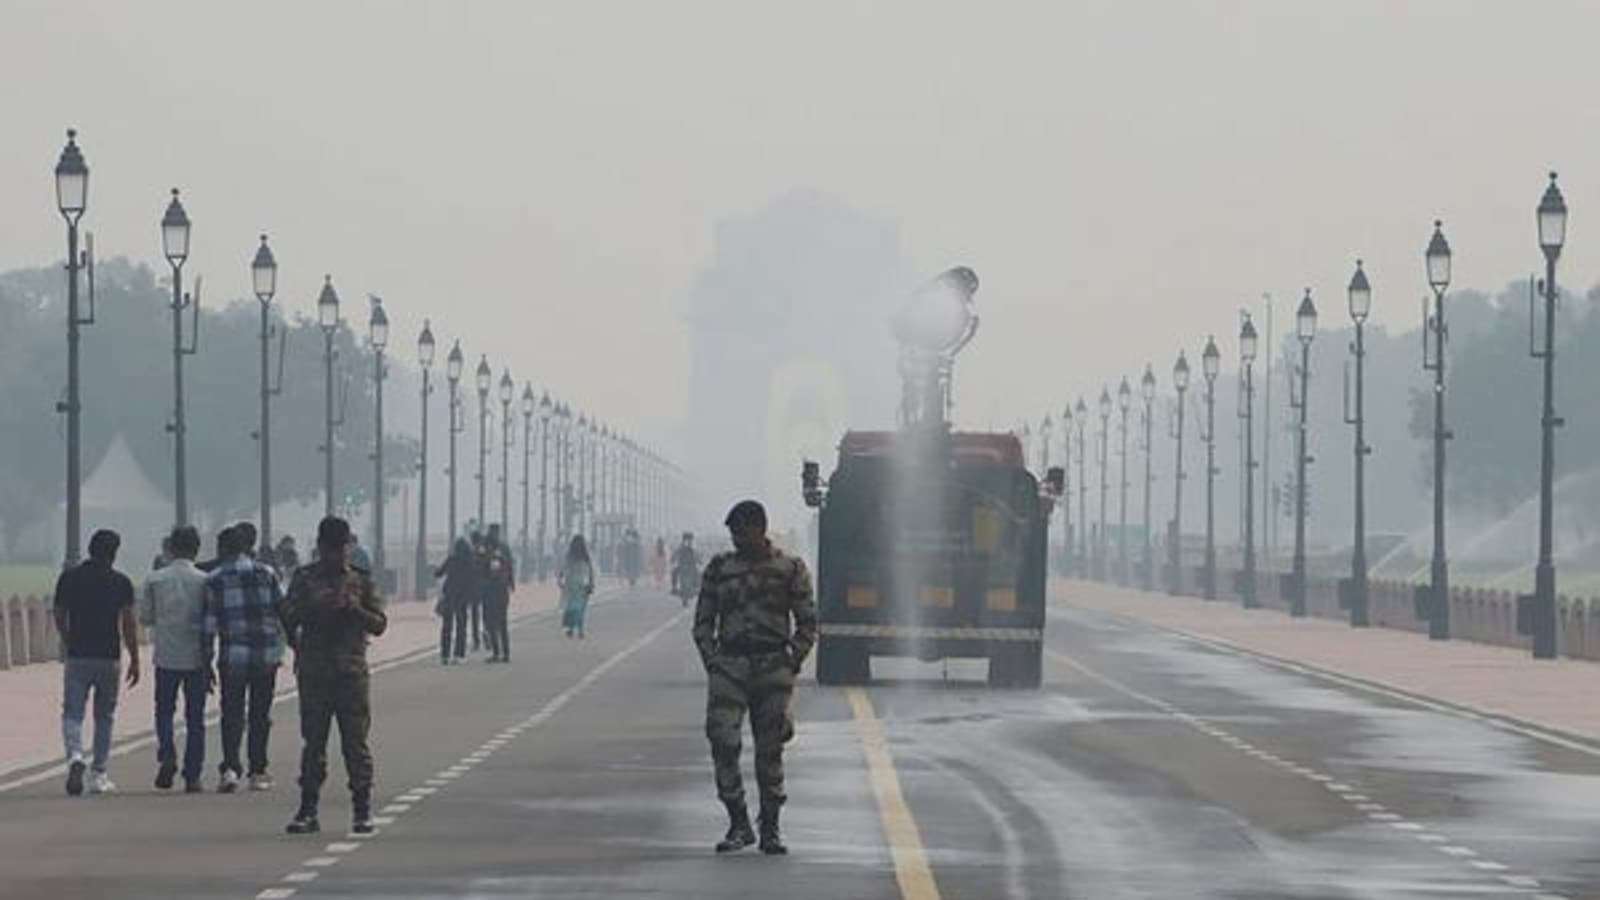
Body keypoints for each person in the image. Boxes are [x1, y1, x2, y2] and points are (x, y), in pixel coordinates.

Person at [693, 500, 816, 855]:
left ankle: (770, 826)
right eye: (733, 533)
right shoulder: (720, 569)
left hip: (772, 666)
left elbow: (808, 622)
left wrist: (792, 660)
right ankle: (738, 821)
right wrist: (712, 659)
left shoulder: (789, 568)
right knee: (722, 739)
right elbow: (703, 621)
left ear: (760, 529)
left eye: (742, 532)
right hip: (730, 664)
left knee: (769, 748)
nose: (737, 539)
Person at [280, 516, 387, 835]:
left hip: (351, 674)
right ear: (320, 547)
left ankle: (362, 810)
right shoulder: (304, 579)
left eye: (341, 549)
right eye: (331, 550)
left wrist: (354, 609)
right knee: (313, 744)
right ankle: (308, 809)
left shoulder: (360, 580)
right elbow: (287, 617)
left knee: (355, 744)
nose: (336, 556)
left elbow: (380, 624)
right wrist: (312, 609)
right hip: (315, 673)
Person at [53, 529, 141, 796]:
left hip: (78, 654)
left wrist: (67, 637)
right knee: (104, 716)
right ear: (114, 553)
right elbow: (128, 622)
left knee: (72, 712)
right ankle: (99, 772)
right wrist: (135, 658)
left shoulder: (69, 578)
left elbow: (59, 613)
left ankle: (75, 755)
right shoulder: (121, 582)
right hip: (108, 655)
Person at [203, 523, 287, 793]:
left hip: (233, 656)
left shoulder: (214, 579)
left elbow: (209, 626)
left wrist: (206, 663)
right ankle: (258, 770)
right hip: (265, 654)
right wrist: (293, 648)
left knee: (232, 713)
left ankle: (230, 768)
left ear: (222, 549)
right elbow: (284, 611)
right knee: (260, 714)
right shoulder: (267, 573)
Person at [139, 525, 210, 792]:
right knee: (195, 717)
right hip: (196, 657)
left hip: (166, 655)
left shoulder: (155, 579)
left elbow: (146, 618)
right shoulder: (205, 581)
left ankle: (167, 755)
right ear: (196, 549)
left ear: (170, 548)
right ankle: (193, 774)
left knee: (164, 711)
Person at [433, 538, 479, 664]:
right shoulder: (471, 562)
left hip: (450, 595)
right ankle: (459, 654)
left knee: (447, 626)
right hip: (463, 597)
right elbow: (474, 580)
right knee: (461, 626)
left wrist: (436, 571)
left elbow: (439, 573)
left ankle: (445, 655)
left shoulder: (452, 559)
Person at [481, 524, 515, 662]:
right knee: (502, 622)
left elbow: (481, 567)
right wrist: (511, 583)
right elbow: (510, 566)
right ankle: (505, 652)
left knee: (492, 621)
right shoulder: (504, 548)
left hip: (491, 590)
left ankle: (497, 652)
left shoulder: (487, 548)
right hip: (501, 589)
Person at [557, 535, 595, 639]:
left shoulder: (570, 555)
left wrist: (560, 579)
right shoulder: (586, 556)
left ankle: (570, 627)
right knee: (581, 608)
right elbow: (591, 570)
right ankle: (580, 629)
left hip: (571, 583)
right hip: (583, 583)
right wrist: (591, 582)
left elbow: (563, 568)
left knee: (571, 606)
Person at [467, 531, 486, 653]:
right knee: (486, 613)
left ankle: (476, 640)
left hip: (474, 587)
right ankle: (487, 634)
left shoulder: (472, 553)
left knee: (475, 615)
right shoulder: (485, 551)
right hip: (485, 586)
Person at [672, 533, 701, 606]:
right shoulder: (681, 547)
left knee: (699, 575)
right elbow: (675, 555)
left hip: (691, 567)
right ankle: (674, 587)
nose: (688, 541)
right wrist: (673, 559)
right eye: (687, 539)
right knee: (674, 573)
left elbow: (697, 556)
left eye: (689, 539)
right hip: (683, 567)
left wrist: (699, 560)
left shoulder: (693, 548)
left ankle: (697, 588)